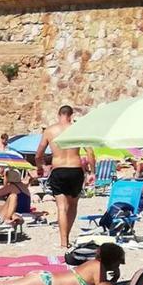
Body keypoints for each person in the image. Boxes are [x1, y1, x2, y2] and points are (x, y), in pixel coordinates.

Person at [37, 105, 93, 248]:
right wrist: (93, 172)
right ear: (71, 115)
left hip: (59, 169)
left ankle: (63, 242)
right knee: (73, 205)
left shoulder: (50, 131)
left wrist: (40, 167)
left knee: (61, 207)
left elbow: (39, 154)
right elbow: (90, 153)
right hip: (75, 170)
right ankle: (66, 235)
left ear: (59, 115)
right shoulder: (78, 129)